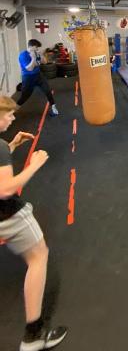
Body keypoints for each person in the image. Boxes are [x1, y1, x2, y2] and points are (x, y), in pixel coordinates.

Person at [0, 96, 67, 350]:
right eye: (8, 114)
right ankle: (34, 335)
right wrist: (35, 164)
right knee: (38, 256)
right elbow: (5, 189)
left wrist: (12, 146)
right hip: (8, 215)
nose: (13, 118)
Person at [17, 40, 59, 117]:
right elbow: (29, 68)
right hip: (28, 77)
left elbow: (44, 62)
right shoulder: (23, 55)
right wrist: (33, 58)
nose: (37, 49)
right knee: (24, 96)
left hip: (38, 75)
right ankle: (12, 110)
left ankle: (54, 108)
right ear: (31, 46)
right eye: (36, 47)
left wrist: (41, 55)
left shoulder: (36, 53)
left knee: (47, 90)